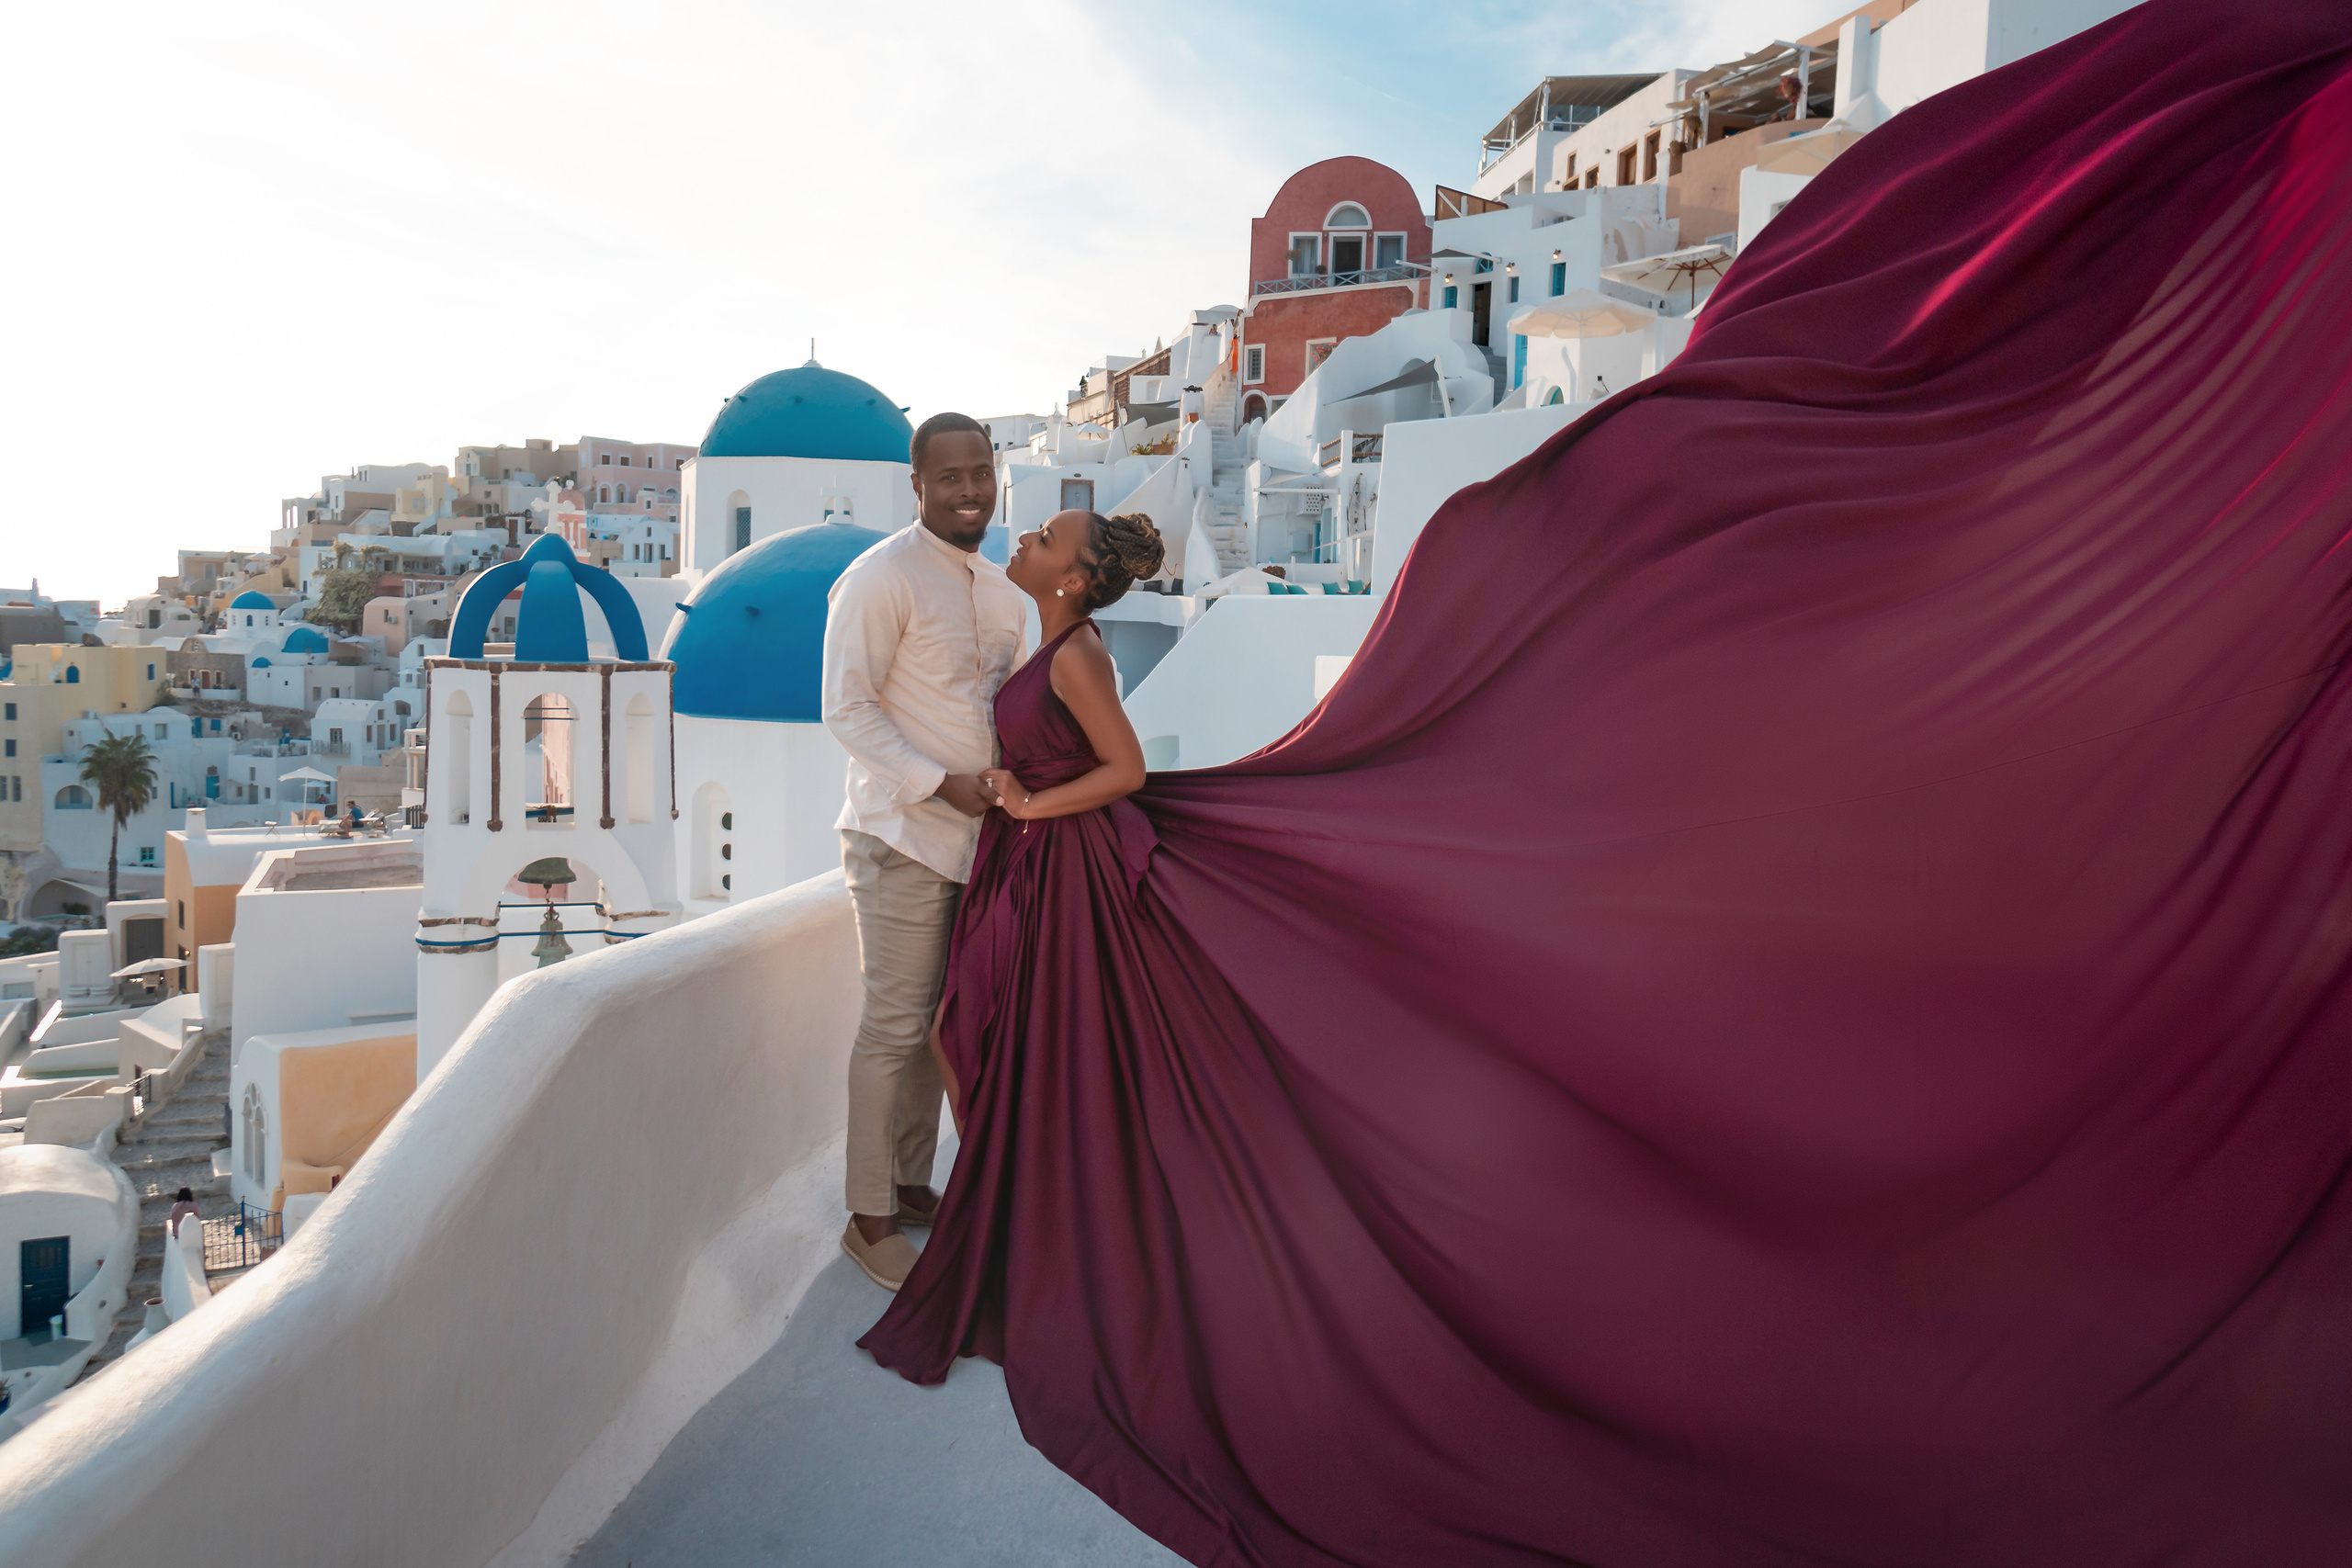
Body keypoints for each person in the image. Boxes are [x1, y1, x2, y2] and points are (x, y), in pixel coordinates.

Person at [821, 411, 1027, 1292]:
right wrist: (939, 782)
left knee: (937, 1029)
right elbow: (846, 706)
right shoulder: (881, 577)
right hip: (901, 837)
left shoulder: (1001, 592)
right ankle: (867, 1221)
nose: (969, 490)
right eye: (950, 477)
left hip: (978, 850)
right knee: (893, 1028)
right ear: (917, 485)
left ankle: (909, 1186)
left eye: (980, 473)